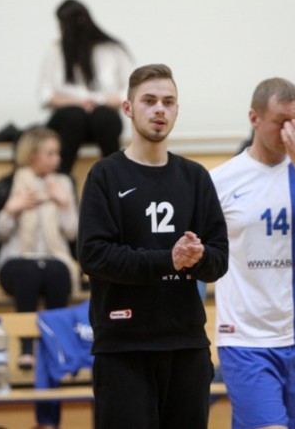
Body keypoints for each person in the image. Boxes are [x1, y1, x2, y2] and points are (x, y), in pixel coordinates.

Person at [77, 64, 228, 429]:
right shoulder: (105, 175)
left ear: (176, 110)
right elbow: (94, 255)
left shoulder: (195, 177)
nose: (160, 109)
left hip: (187, 345)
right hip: (123, 347)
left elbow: (219, 259)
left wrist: (199, 258)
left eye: (168, 102)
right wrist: (168, 260)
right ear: (128, 108)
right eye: (149, 100)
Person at [210, 78, 295, 429]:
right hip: (245, 339)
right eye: (282, 122)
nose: (292, 132)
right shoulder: (220, 180)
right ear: (254, 119)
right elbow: (202, 259)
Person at [0, 126, 78, 371]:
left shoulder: (64, 183)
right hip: (16, 260)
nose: (57, 159)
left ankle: (56, 349)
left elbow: (72, 232)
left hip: (54, 258)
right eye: (50, 153)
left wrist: (64, 203)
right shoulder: (10, 183)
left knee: (57, 271)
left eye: (57, 153)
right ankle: (27, 348)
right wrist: (11, 209)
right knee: (28, 271)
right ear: (32, 156)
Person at [38, 0, 133, 175]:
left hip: (102, 120)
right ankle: (61, 179)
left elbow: (130, 92)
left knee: (104, 117)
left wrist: (99, 101)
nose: (61, 31)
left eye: (63, 25)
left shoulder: (112, 50)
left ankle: (116, 178)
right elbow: (46, 95)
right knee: (74, 116)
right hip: (68, 123)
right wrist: (79, 103)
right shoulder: (56, 50)